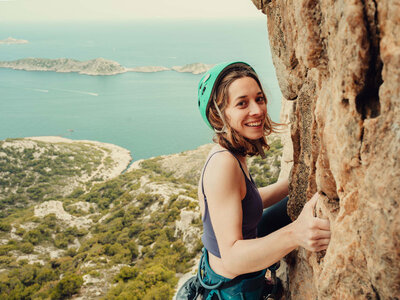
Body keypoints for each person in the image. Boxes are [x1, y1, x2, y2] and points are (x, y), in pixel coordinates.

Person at [177, 62, 331, 300]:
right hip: (234, 289)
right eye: (242, 103)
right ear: (218, 115)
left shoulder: (232, 153)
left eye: (259, 99)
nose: (257, 110)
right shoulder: (223, 164)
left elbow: (245, 202)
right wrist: (296, 234)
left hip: (230, 280)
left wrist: (296, 182)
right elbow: (232, 257)